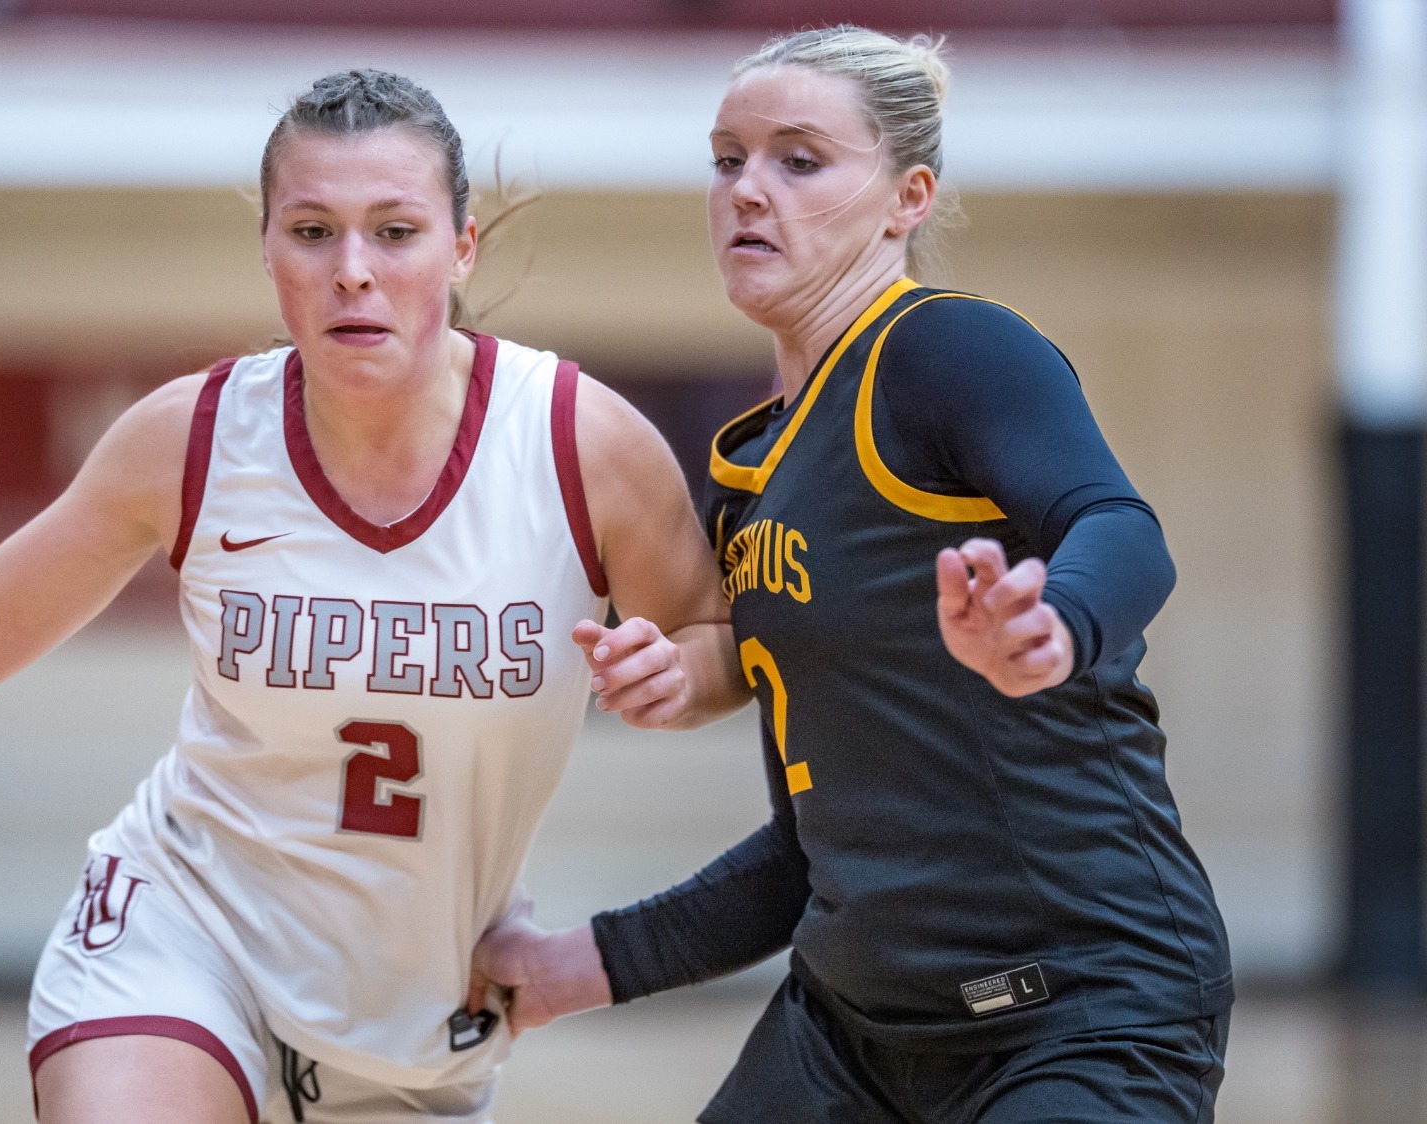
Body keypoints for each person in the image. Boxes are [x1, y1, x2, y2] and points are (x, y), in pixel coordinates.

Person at [0, 70, 739, 1124]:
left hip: (420, 1015)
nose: (353, 266)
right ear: (267, 248)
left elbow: (720, 644)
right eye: (311, 231)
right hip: (183, 932)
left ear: (458, 246)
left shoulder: (574, 440)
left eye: (393, 231)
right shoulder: (191, 437)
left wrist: (676, 673)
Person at [474, 25, 1235, 1124]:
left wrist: (1055, 625)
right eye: (724, 157)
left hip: (1076, 1009)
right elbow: (811, 851)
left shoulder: (945, 349)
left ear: (905, 197)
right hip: (850, 1028)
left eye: (796, 159)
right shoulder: (750, 465)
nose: (745, 189)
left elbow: (1117, 525)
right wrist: (579, 963)